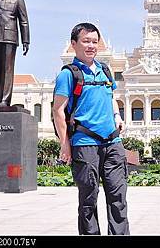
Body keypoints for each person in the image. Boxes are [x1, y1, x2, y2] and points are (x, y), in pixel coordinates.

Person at [53, 22, 130, 235]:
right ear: (74, 44)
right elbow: (58, 111)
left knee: (118, 198)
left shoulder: (105, 71)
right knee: (88, 200)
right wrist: (65, 145)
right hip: (85, 143)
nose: (91, 46)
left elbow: (111, 97)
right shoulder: (68, 75)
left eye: (94, 42)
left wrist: (117, 116)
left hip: (112, 142)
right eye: (86, 41)